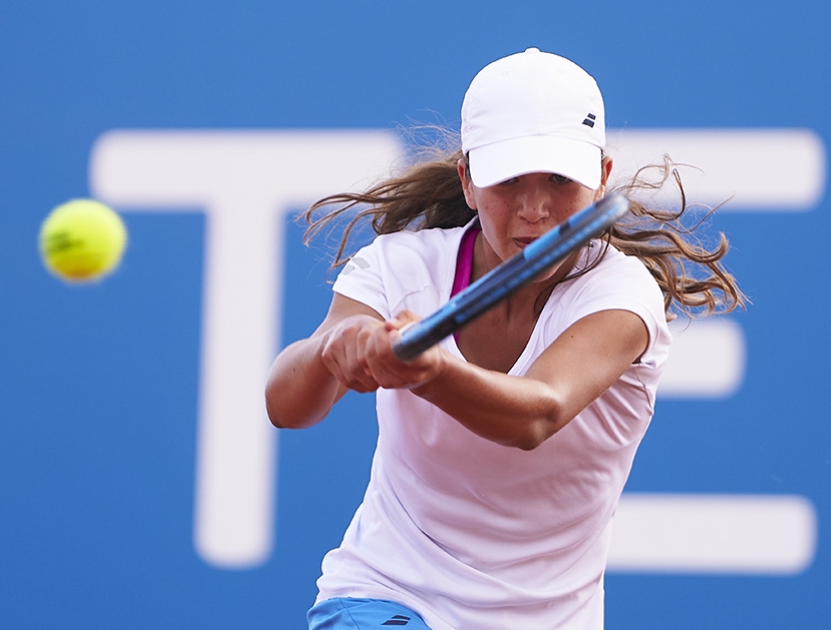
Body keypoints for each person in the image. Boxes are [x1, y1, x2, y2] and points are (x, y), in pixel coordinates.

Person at [265, 48, 745, 630]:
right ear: (468, 181)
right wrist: (332, 352)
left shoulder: (621, 294)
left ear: (601, 179)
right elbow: (287, 406)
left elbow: (537, 415)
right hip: (387, 593)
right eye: (509, 180)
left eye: (559, 180)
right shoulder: (398, 267)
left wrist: (431, 371)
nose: (535, 209)